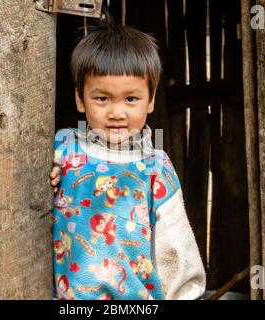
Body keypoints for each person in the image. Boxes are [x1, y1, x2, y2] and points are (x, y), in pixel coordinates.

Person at [49, 22, 205, 300]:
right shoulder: (63, 150)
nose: (117, 112)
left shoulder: (154, 166)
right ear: (80, 99)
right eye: (102, 98)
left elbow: (177, 247)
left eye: (131, 98)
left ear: (151, 100)